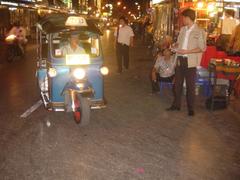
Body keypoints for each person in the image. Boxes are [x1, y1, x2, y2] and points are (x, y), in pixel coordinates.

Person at [166, 8, 206, 116]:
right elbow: (179, 43)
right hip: (180, 59)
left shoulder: (200, 31)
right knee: (177, 84)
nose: (182, 19)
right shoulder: (183, 29)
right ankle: (176, 105)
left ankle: (191, 108)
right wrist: (174, 46)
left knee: (190, 86)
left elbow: (202, 48)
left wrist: (188, 51)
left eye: (183, 17)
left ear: (188, 18)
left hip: (191, 61)